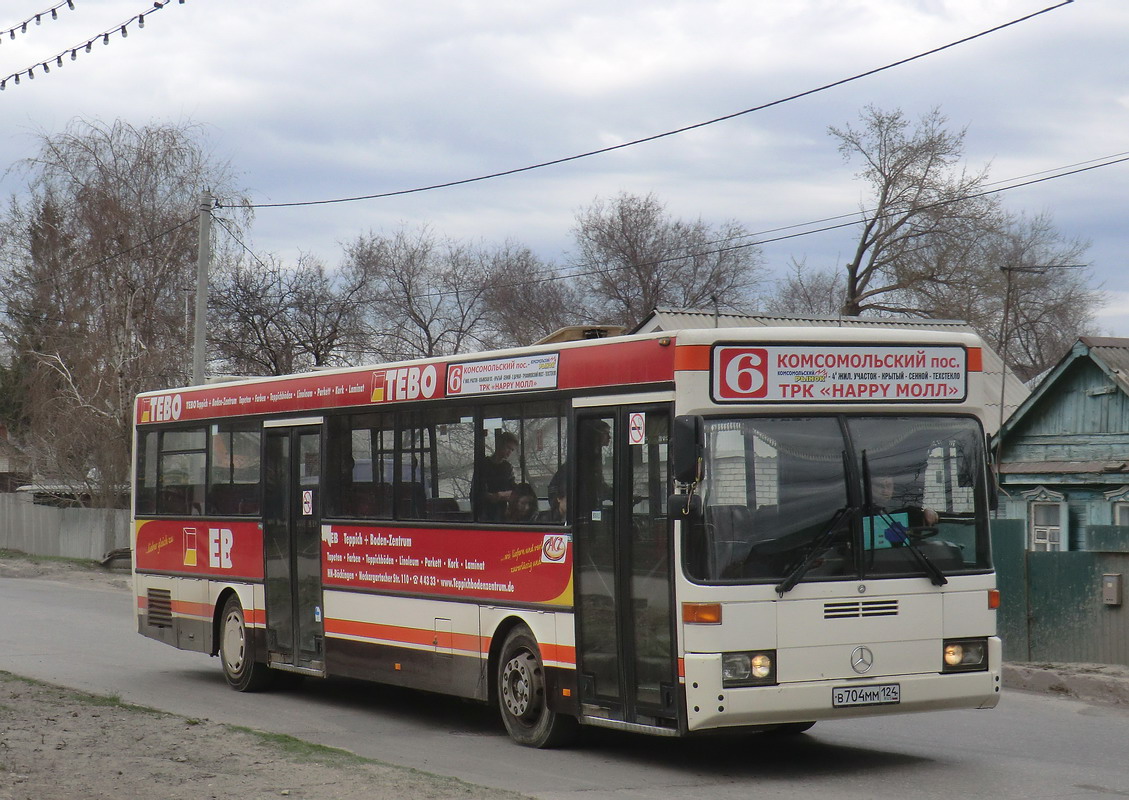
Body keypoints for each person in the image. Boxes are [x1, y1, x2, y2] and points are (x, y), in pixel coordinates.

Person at [480, 430, 518, 520]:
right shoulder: (484, 464)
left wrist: (501, 495)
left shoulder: (507, 467)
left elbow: (514, 489)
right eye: (508, 448)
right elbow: (478, 491)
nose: (510, 452)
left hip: (502, 512)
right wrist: (490, 496)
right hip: (483, 512)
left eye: (512, 450)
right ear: (500, 445)